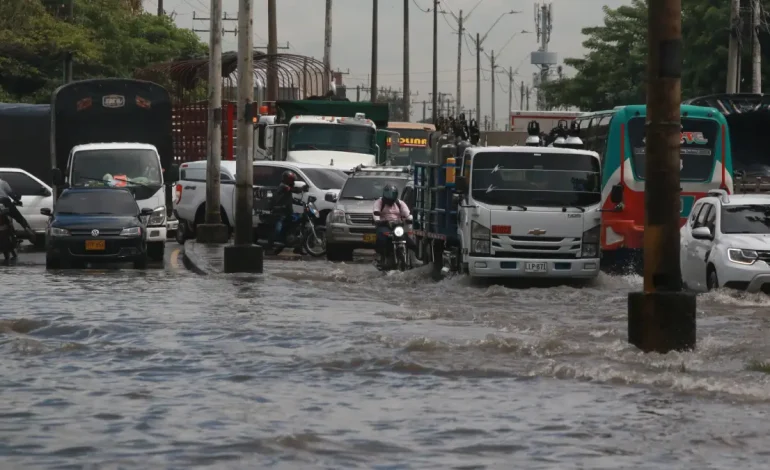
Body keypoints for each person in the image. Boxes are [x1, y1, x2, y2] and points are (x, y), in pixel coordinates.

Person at [373, 184, 414, 263]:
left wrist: (410, 219)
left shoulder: (400, 203)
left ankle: (413, 258)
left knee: (408, 239)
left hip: (397, 225)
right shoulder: (379, 202)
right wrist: (378, 220)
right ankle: (381, 255)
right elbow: (376, 213)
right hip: (384, 224)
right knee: (382, 238)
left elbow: (407, 214)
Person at [266, 170, 305, 250]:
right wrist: (301, 189)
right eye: (292, 180)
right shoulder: (283, 186)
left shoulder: (287, 187)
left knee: (297, 225)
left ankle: (297, 248)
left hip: (287, 211)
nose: (293, 182)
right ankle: (270, 245)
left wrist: (300, 202)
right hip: (281, 212)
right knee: (278, 230)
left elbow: (289, 199)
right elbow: (292, 190)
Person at [0, 178, 35, 246]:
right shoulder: (3, 182)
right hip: (5, 203)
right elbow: (11, 194)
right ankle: (27, 229)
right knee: (18, 217)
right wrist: (17, 200)